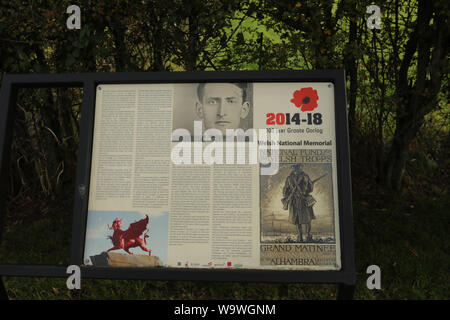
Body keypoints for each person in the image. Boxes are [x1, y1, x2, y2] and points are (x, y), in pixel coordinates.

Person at [282, 164, 316, 242]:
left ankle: (301, 236)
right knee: (306, 219)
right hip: (301, 200)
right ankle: (306, 236)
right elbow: (310, 189)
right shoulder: (305, 176)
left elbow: (285, 191)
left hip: (296, 200)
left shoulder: (289, 178)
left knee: (301, 219)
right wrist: (311, 185)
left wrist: (288, 196)